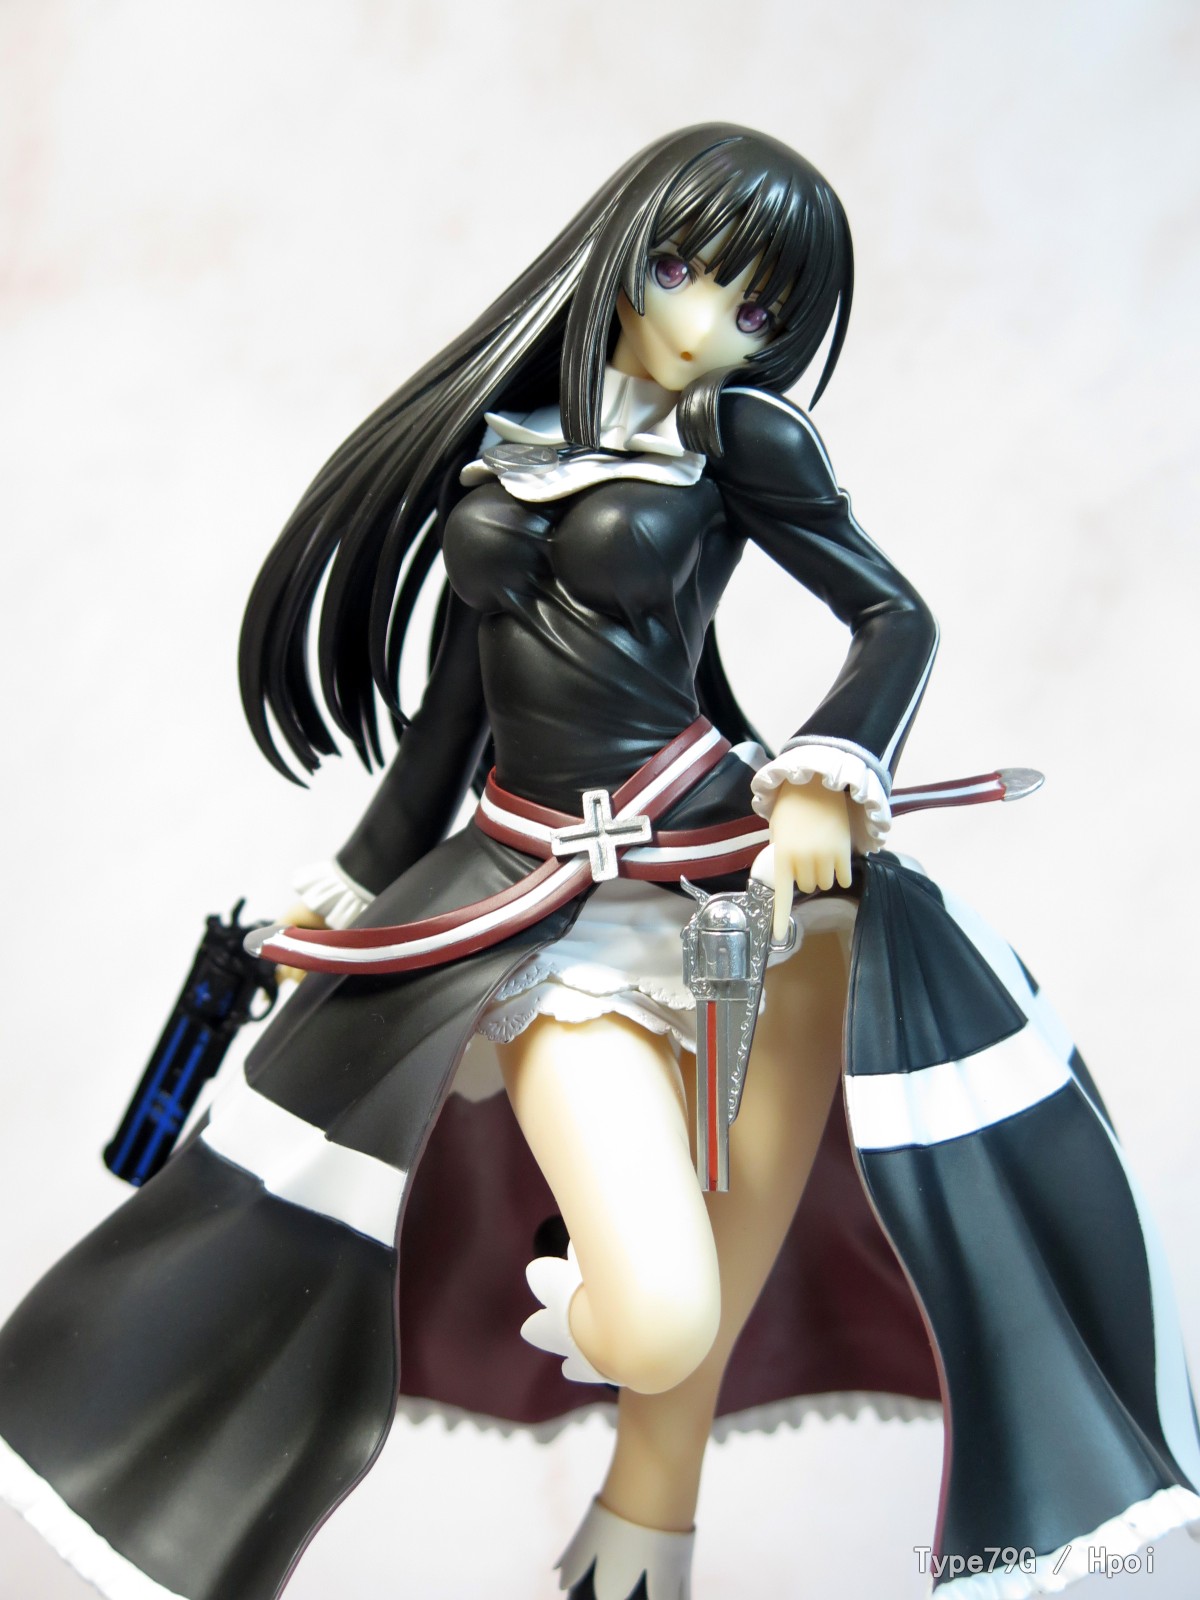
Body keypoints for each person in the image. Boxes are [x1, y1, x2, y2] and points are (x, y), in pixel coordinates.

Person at [0, 124, 1196, 1600]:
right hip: (540, 912)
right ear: (628, 246)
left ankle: (643, 1529)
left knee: (736, 1225)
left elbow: (894, 617)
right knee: (655, 1313)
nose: (707, 325)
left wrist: (831, 771)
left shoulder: (738, 441)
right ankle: (616, 1397)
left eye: (757, 308)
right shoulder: (507, 445)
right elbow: (455, 716)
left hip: (729, 880)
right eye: (687, 270)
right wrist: (358, 876)